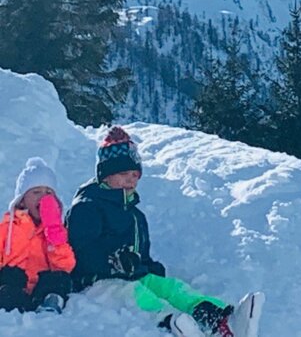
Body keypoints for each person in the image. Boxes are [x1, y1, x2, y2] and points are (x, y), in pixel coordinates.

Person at [66, 126, 264, 337]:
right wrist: (113, 262)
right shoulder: (87, 207)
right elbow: (80, 250)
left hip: (133, 275)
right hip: (95, 282)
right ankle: (174, 324)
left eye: (135, 175)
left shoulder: (135, 215)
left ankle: (222, 320)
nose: (131, 180)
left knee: (173, 288)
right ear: (105, 176)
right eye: (123, 174)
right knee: (139, 296)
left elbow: (141, 255)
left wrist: (149, 269)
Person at [0, 157, 76, 314]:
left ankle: (51, 301)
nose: (43, 197)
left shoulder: (56, 231)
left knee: (59, 278)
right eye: (36, 192)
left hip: (42, 285)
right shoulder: (8, 228)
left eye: (49, 193)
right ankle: (10, 303)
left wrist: (54, 234)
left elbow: (65, 265)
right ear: (21, 201)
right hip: (15, 284)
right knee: (10, 275)